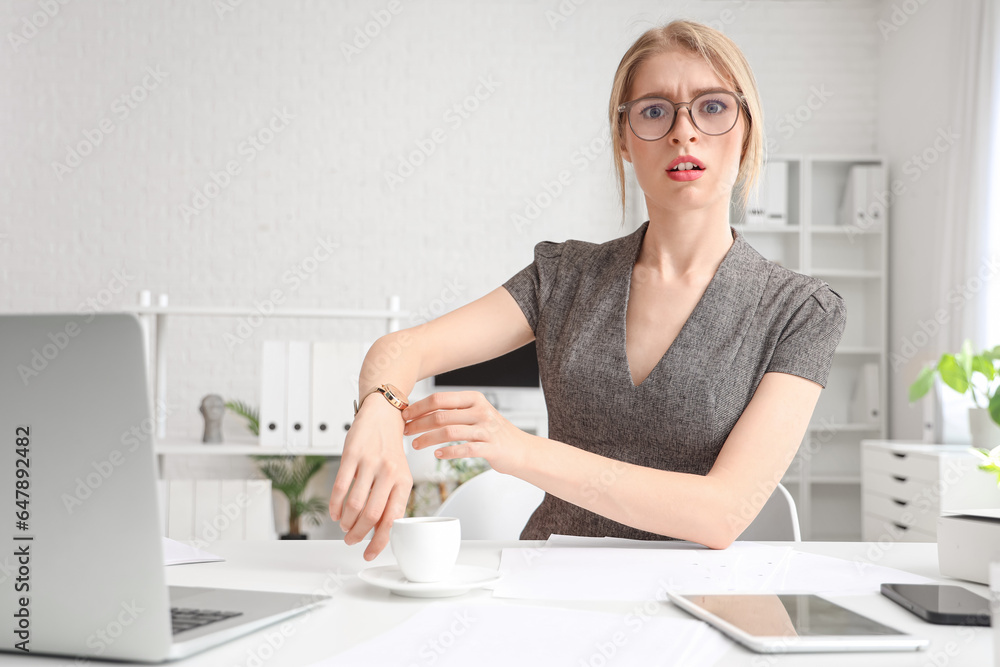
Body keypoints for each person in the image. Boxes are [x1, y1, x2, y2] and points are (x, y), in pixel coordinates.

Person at [330, 19, 846, 561]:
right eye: (654, 111)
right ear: (624, 139)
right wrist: (380, 410)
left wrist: (515, 449)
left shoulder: (800, 312)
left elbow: (721, 514)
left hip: (696, 604)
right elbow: (402, 349)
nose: (683, 132)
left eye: (712, 107)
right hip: (550, 584)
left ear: (747, 129)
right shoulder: (565, 276)